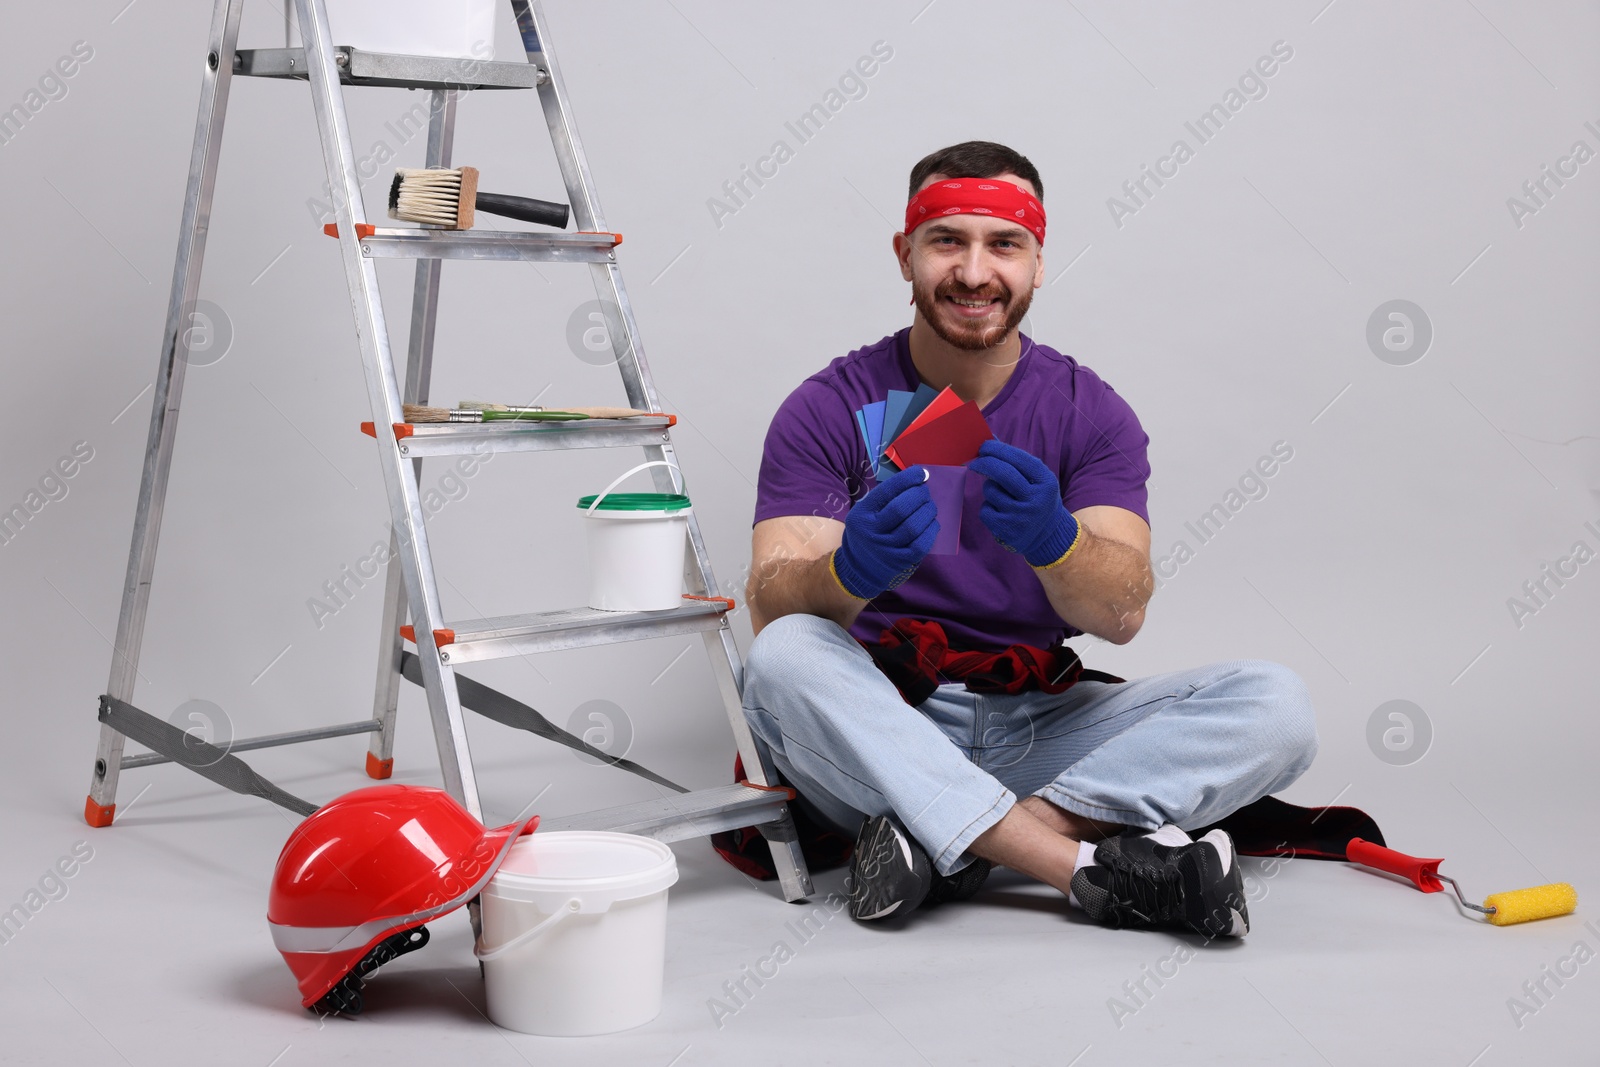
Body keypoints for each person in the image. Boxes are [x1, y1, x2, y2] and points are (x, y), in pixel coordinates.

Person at [741, 141, 1318, 937]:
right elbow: (772, 608)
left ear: (1039, 262)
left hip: (1042, 727)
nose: (975, 273)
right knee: (779, 660)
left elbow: (1121, 613)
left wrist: (1057, 543)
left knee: (1277, 704)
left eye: (1004, 244)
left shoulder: (1091, 413)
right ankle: (1074, 868)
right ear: (904, 253)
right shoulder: (829, 405)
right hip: (884, 726)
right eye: (947, 240)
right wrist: (845, 571)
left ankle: (956, 838)